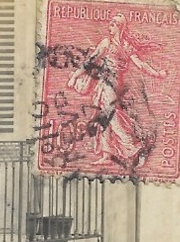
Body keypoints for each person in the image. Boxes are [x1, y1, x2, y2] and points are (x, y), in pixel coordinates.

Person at [67, 12, 167, 172]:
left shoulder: (125, 45)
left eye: (113, 24)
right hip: (103, 83)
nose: (110, 26)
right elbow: (90, 61)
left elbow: (140, 64)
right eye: (110, 23)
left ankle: (135, 147)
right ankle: (107, 155)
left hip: (112, 84)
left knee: (111, 117)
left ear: (120, 27)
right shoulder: (107, 43)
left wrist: (156, 73)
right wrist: (75, 76)